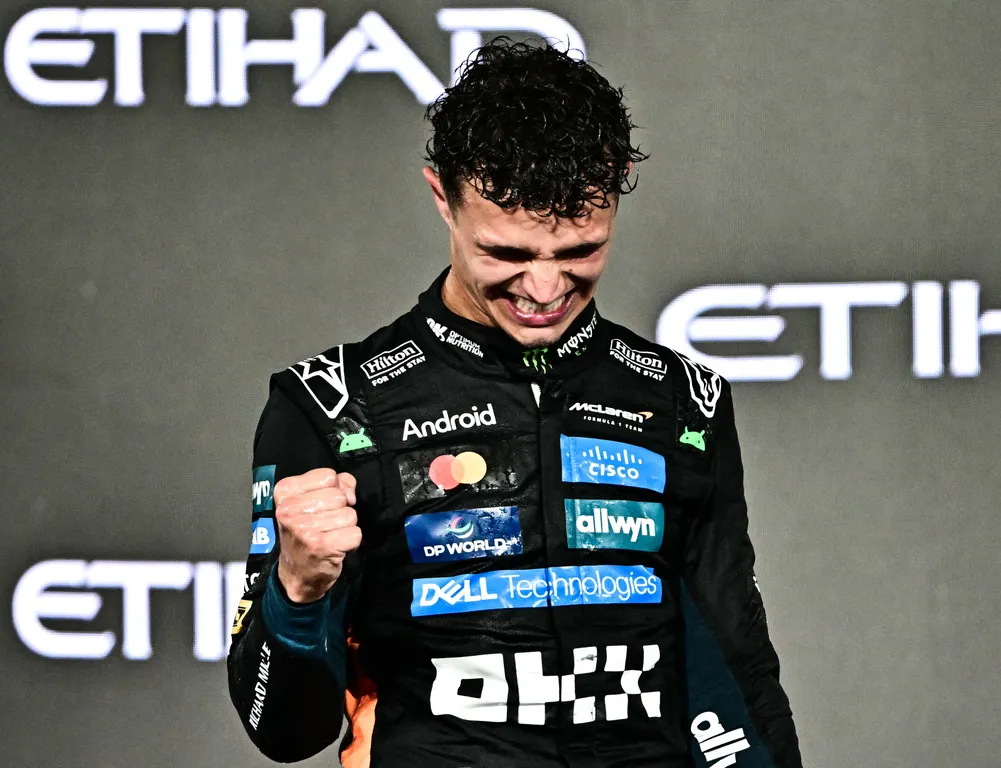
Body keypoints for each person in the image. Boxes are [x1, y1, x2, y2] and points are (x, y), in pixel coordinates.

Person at [227, 37, 802, 768]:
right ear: (442, 195)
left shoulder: (681, 400)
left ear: (619, 186)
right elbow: (283, 731)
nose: (543, 289)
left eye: (579, 251)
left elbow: (737, 679)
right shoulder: (332, 405)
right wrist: (297, 587)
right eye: (508, 254)